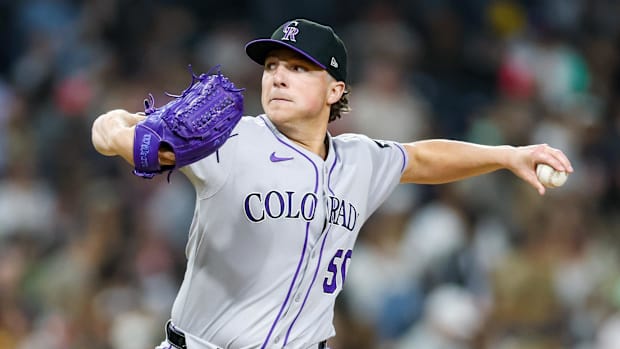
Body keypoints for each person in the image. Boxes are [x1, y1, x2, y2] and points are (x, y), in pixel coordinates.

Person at [91, 18, 573, 349]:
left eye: (298, 68)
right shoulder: (231, 139)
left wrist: (507, 155)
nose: (278, 77)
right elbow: (112, 125)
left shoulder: (359, 160)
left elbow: (424, 157)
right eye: (272, 66)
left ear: (336, 90)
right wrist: (120, 135)